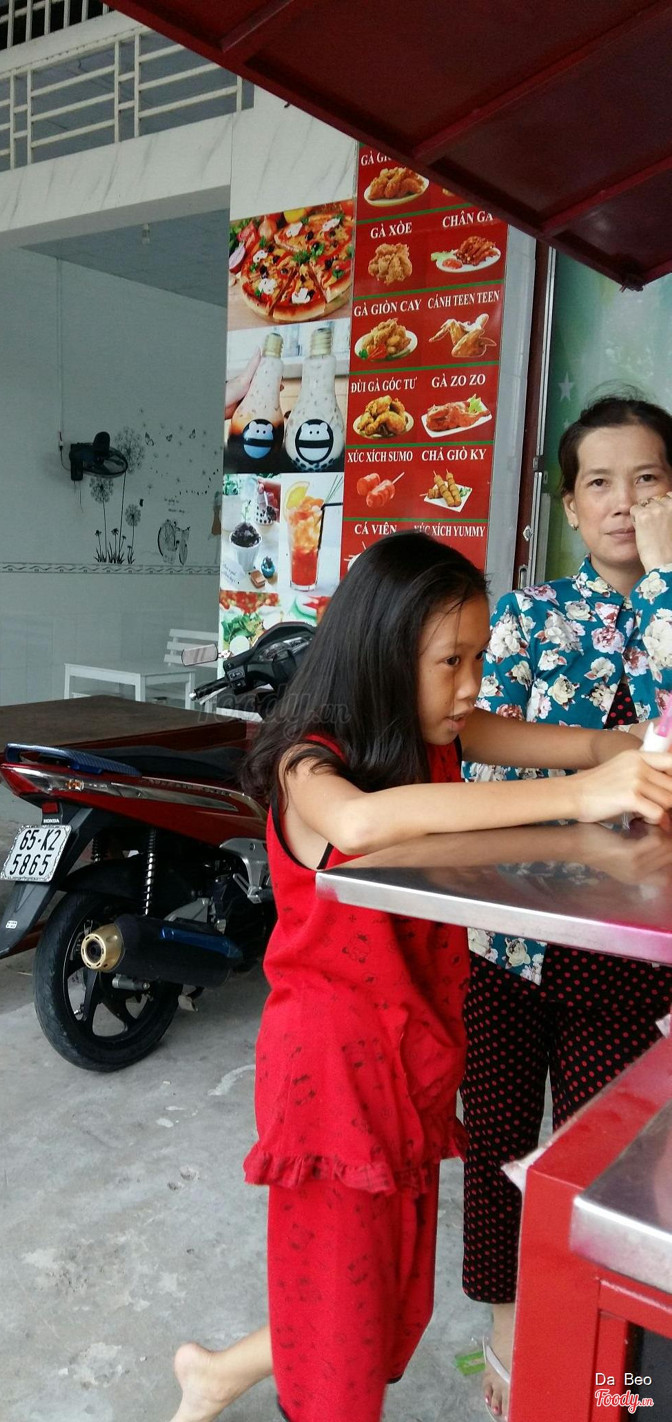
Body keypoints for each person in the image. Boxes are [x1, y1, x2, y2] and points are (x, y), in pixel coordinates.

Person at [167, 529, 672, 1422]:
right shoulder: (309, 766)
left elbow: (562, 744)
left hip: (414, 1066)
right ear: (383, 654)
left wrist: (622, 750)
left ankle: (217, 1374)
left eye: (478, 657)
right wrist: (581, 793)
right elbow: (362, 826)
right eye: (452, 661)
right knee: (347, 1343)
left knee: (389, 1303)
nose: (473, 683)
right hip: (334, 1084)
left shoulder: (433, 730)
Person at [461, 393, 672, 1420]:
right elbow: (478, 747)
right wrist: (592, 767)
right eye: (600, 482)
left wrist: (664, 583)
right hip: (514, 935)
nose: (624, 503)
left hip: (634, 952)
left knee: (602, 1181)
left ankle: (594, 1377)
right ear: (569, 505)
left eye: (648, 480)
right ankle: (508, 1355)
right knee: (497, 1145)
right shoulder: (527, 616)